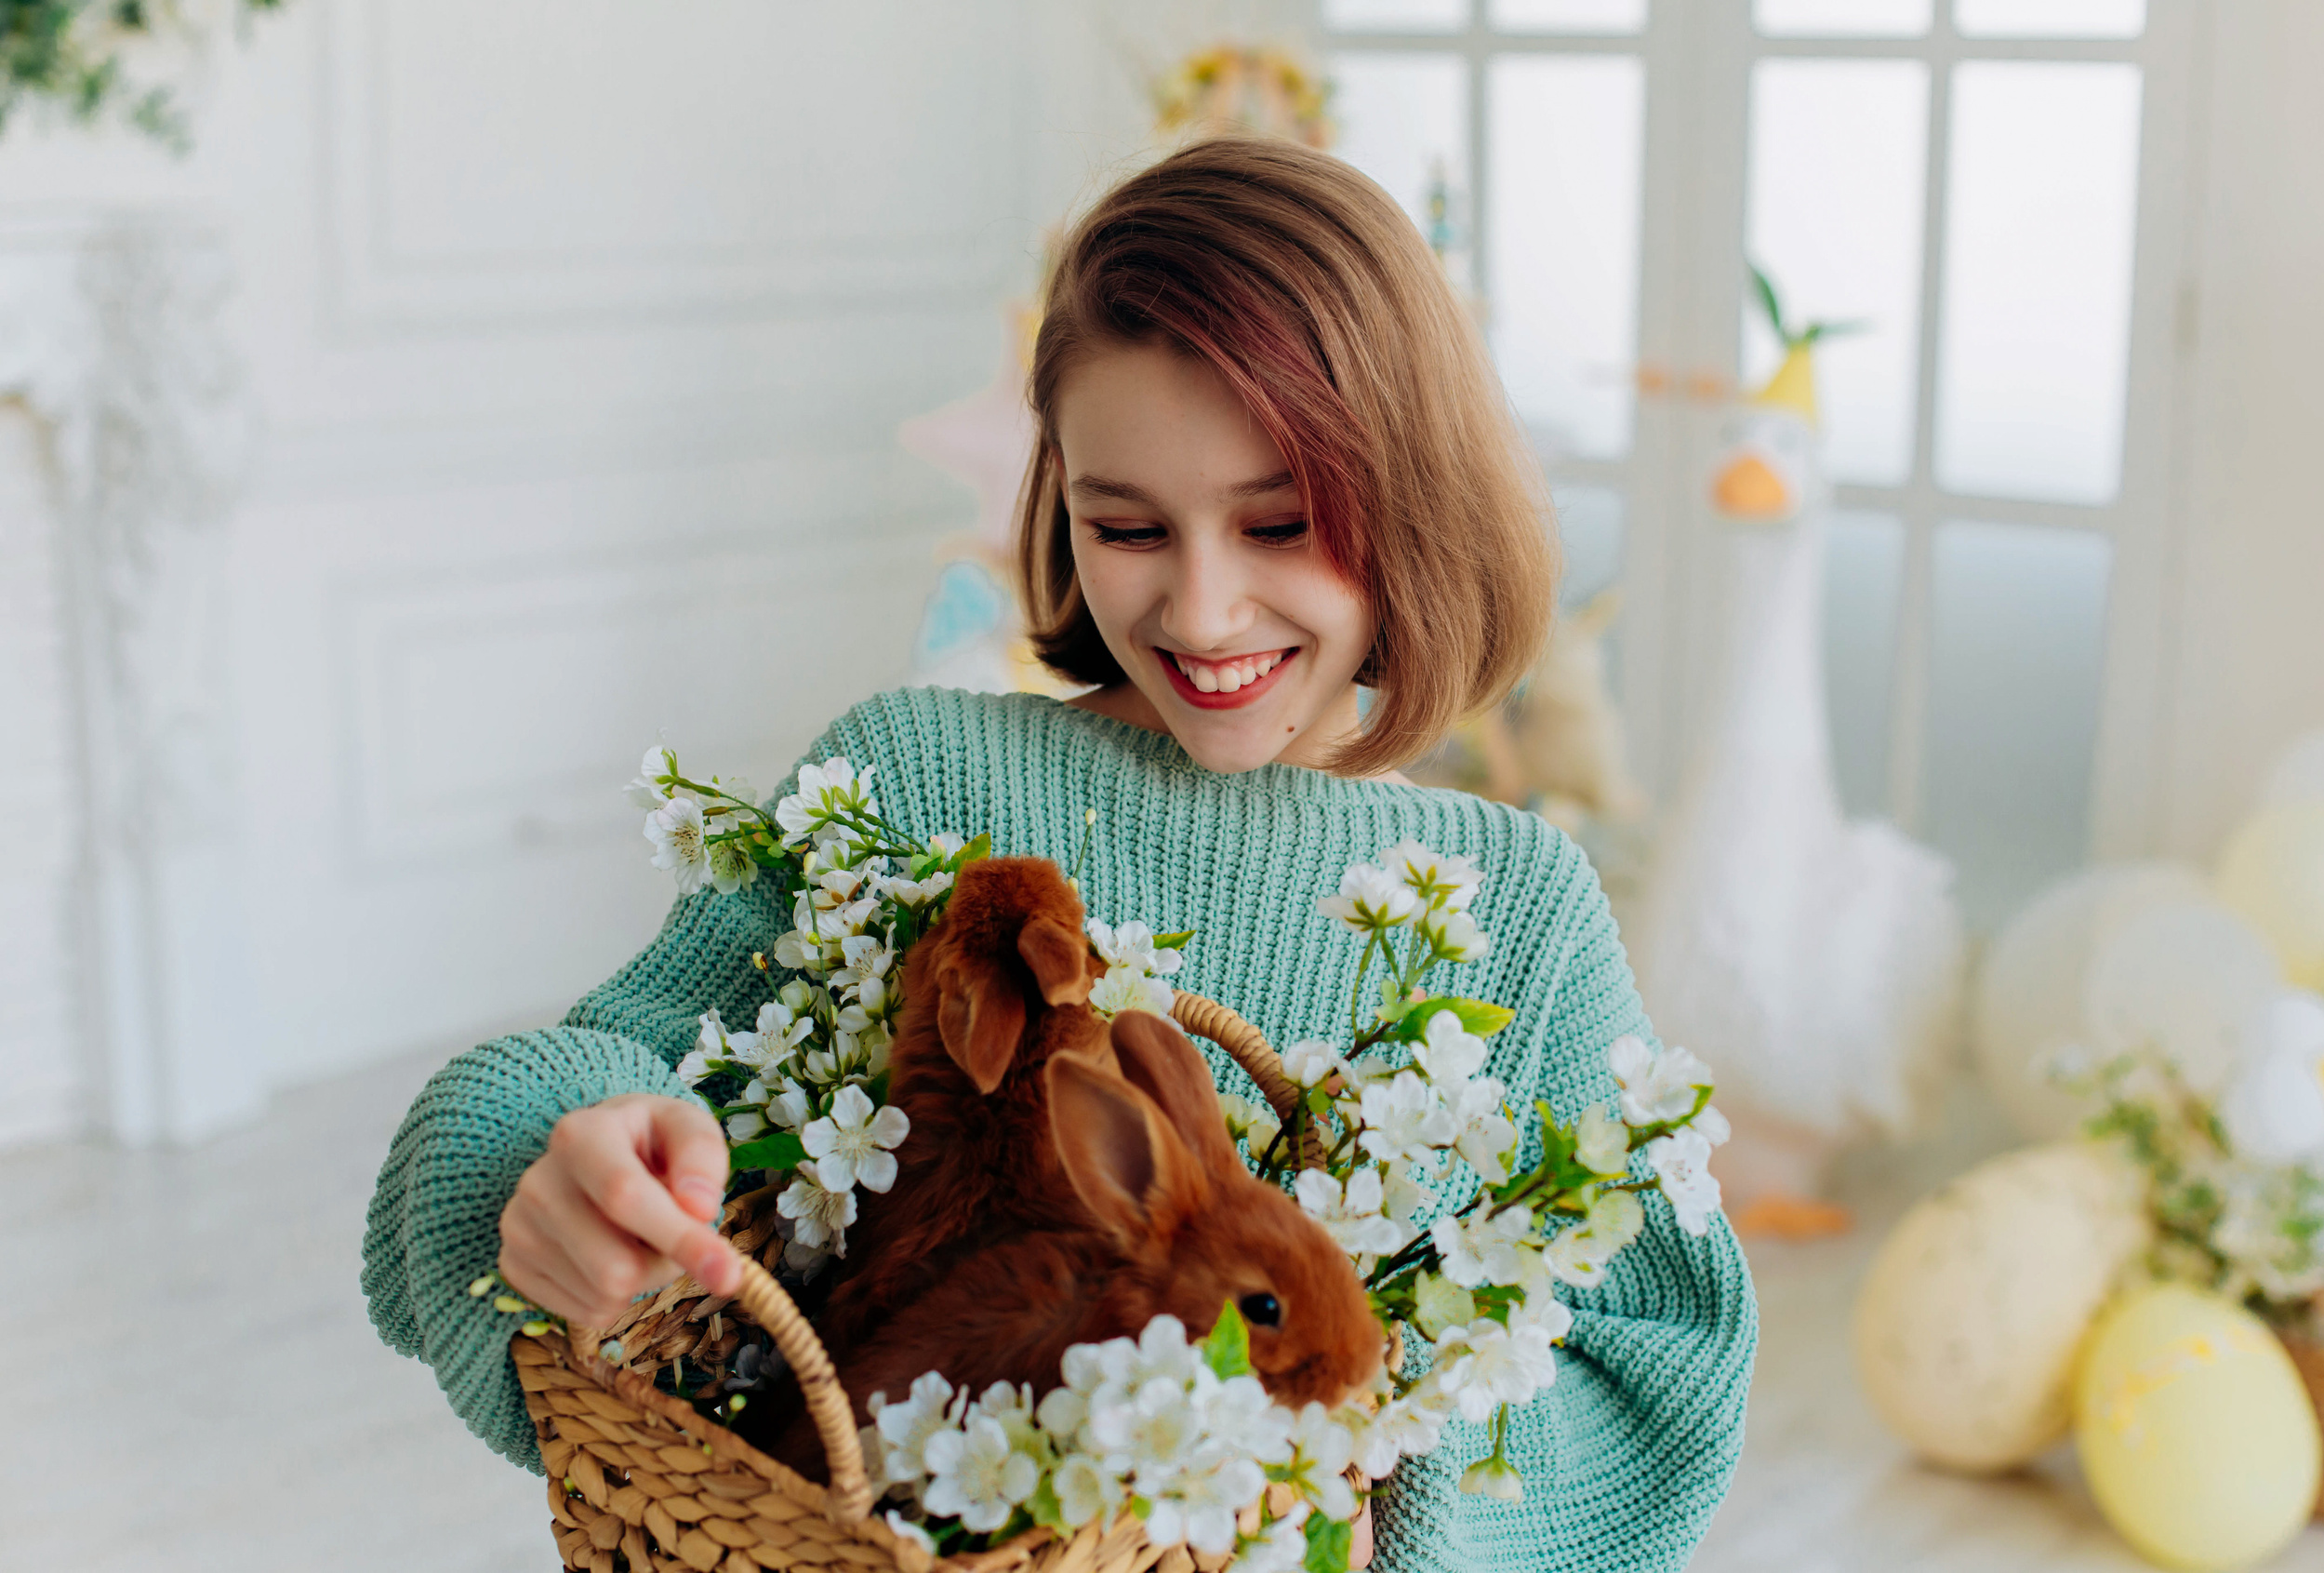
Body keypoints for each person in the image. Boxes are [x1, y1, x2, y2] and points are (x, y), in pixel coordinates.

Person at [363, 136, 1754, 1572]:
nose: (1206, 613)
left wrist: (1337, 1468)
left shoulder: (1515, 911)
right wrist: (556, 1164)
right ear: (1058, 504)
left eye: (1279, 523)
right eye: (1128, 525)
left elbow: (1666, 1373)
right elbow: (621, 1062)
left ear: (1414, 493)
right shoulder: (912, 778)